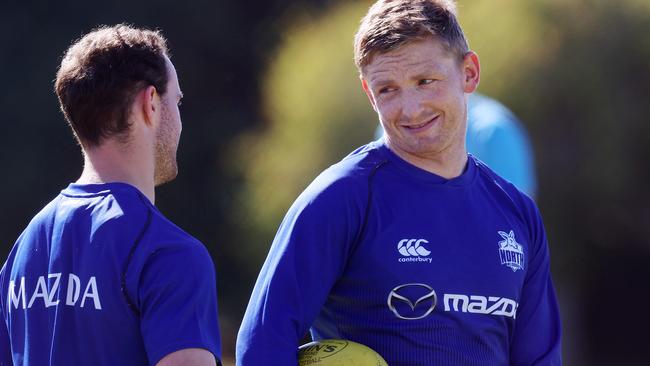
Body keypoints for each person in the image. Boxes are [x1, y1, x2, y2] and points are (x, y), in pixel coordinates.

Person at [236, 0, 561, 365]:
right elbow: (262, 341)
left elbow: (539, 358)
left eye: (425, 81)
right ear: (368, 93)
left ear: (468, 72)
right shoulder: (341, 198)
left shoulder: (517, 213)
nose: (410, 108)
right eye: (388, 89)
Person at [0, 25, 221, 365]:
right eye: (176, 101)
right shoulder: (170, 255)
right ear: (150, 103)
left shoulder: (22, 252)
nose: (180, 118)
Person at [377, 93, 538, 197]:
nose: (411, 112)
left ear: (468, 73)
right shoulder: (392, 126)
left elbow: (513, 223)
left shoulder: (494, 131)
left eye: (426, 80)